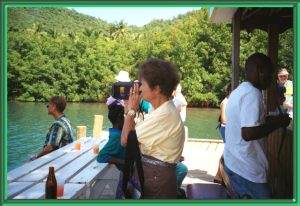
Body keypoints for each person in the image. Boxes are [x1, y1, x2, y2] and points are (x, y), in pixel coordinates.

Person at [223, 53, 291, 198]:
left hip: (234, 162)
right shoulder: (252, 94)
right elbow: (248, 133)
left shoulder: (239, 90)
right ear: (260, 71)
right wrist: (279, 122)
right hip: (246, 170)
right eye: (270, 73)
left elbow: (251, 123)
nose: (271, 78)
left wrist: (273, 120)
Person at [121, 58, 185, 199]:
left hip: (157, 180)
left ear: (156, 89)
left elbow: (126, 140)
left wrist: (132, 110)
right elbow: (132, 135)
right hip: (155, 176)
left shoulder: (164, 115)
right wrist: (128, 109)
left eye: (142, 84)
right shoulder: (162, 111)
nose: (140, 89)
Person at [28, 96, 74, 161]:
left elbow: (51, 147)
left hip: (59, 159)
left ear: (54, 107)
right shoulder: (66, 120)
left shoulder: (58, 125)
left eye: (48, 106)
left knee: (27, 163)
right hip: (65, 156)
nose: (47, 107)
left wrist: (36, 156)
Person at [97, 98, 126, 171]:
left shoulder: (117, 133)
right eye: (126, 117)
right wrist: (124, 162)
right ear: (120, 119)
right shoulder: (117, 136)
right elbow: (101, 157)